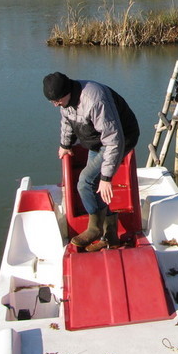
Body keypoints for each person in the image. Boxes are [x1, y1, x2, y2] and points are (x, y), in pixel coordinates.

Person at [43, 72, 140, 249]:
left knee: (85, 182)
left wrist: (106, 178)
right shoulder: (64, 100)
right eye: (52, 102)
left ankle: (94, 228)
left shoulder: (95, 100)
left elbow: (114, 140)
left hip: (121, 138)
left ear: (67, 91)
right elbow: (67, 121)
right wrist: (65, 144)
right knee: (92, 185)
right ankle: (110, 237)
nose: (56, 105)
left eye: (57, 101)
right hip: (97, 141)